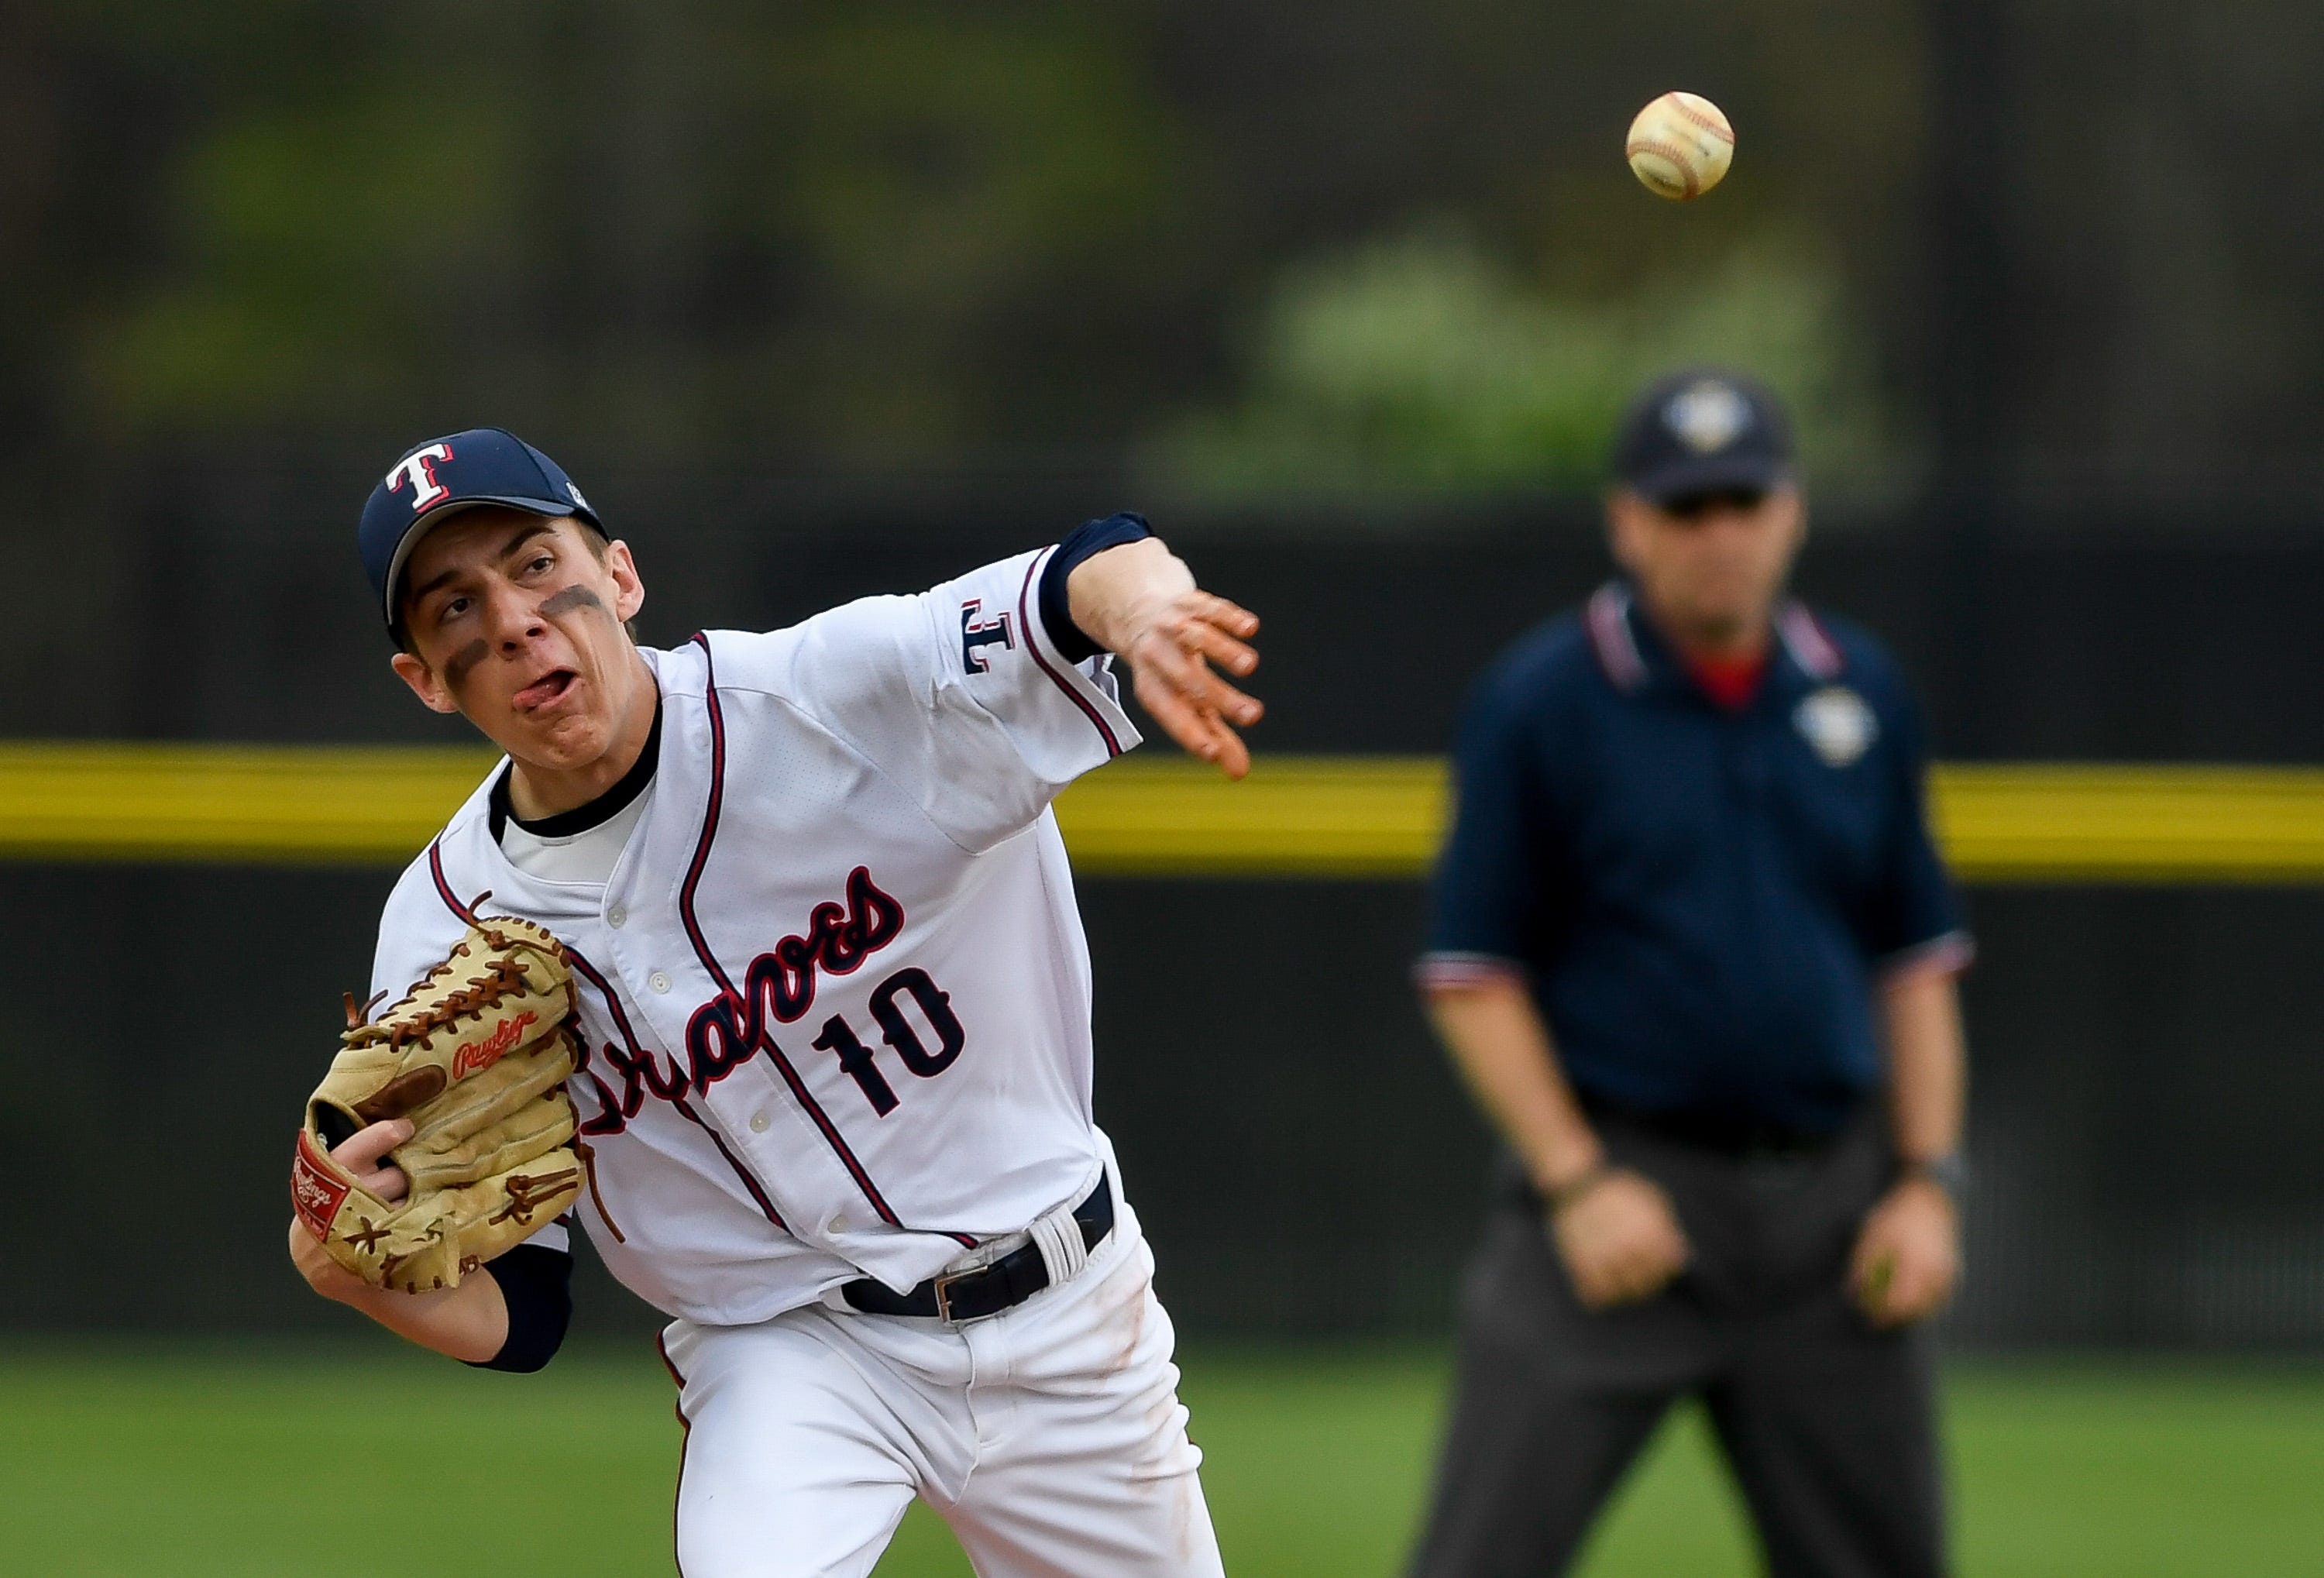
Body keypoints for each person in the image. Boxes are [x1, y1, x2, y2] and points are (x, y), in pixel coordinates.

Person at [286, 427, 1263, 1578]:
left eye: (537, 563)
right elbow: (526, 1311)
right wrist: (341, 1263)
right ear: (425, 681)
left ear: (622, 574)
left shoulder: (833, 697)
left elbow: (1087, 566)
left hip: (1069, 1305)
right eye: (454, 608)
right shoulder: (443, 928)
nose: (510, 619)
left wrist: (1145, 613)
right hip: (790, 1353)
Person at [1405, 373, 1972, 1578]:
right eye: (1685, 505)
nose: (1718, 531)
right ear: (1626, 522)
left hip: (1832, 1223)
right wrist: (1579, 1181)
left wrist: (1925, 1182)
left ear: (1793, 512)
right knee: (1476, 1559)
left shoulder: (1858, 688)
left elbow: (1915, 966)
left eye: (1743, 499)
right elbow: (1472, 972)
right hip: (1619, 1197)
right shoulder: (1543, 701)